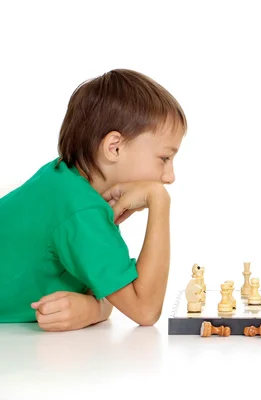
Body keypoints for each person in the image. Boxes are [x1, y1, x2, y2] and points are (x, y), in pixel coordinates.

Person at [0, 69, 186, 331]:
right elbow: (144, 309)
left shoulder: (64, 179)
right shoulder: (80, 209)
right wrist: (159, 201)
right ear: (115, 147)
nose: (169, 177)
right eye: (164, 158)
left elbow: (109, 290)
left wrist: (93, 306)